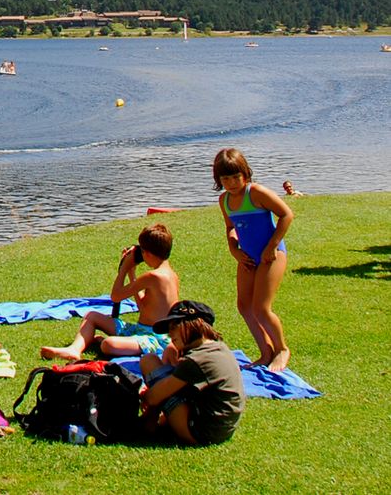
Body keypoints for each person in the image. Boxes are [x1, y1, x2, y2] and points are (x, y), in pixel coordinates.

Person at [40, 222, 180, 361]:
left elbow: (116, 296)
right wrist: (132, 273)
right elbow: (144, 306)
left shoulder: (152, 276)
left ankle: (97, 344)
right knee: (91, 316)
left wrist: (124, 269)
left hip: (154, 339)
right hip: (143, 330)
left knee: (108, 344)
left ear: (147, 253)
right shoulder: (171, 275)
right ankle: (74, 349)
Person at [214, 147, 294, 370]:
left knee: (261, 308)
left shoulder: (256, 193)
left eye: (235, 177)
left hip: (272, 256)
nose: (231, 183)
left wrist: (272, 246)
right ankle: (265, 352)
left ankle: (282, 349)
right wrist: (234, 249)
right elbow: (230, 228)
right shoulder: (224, 200)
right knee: (244, 306)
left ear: (245, 173)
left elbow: (286, 215)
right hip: (247, 258)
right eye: (225, 179)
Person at [139, 300, 244, 446]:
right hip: (220, 429)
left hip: (200, 433)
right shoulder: (218, 348)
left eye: (174, 327)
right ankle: (151, 423)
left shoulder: (196, 360)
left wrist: (143, 394)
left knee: (149, 362)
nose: (170, 334)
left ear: (193, 324)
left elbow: (153, 398)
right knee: (163, 379)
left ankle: (148, 425)